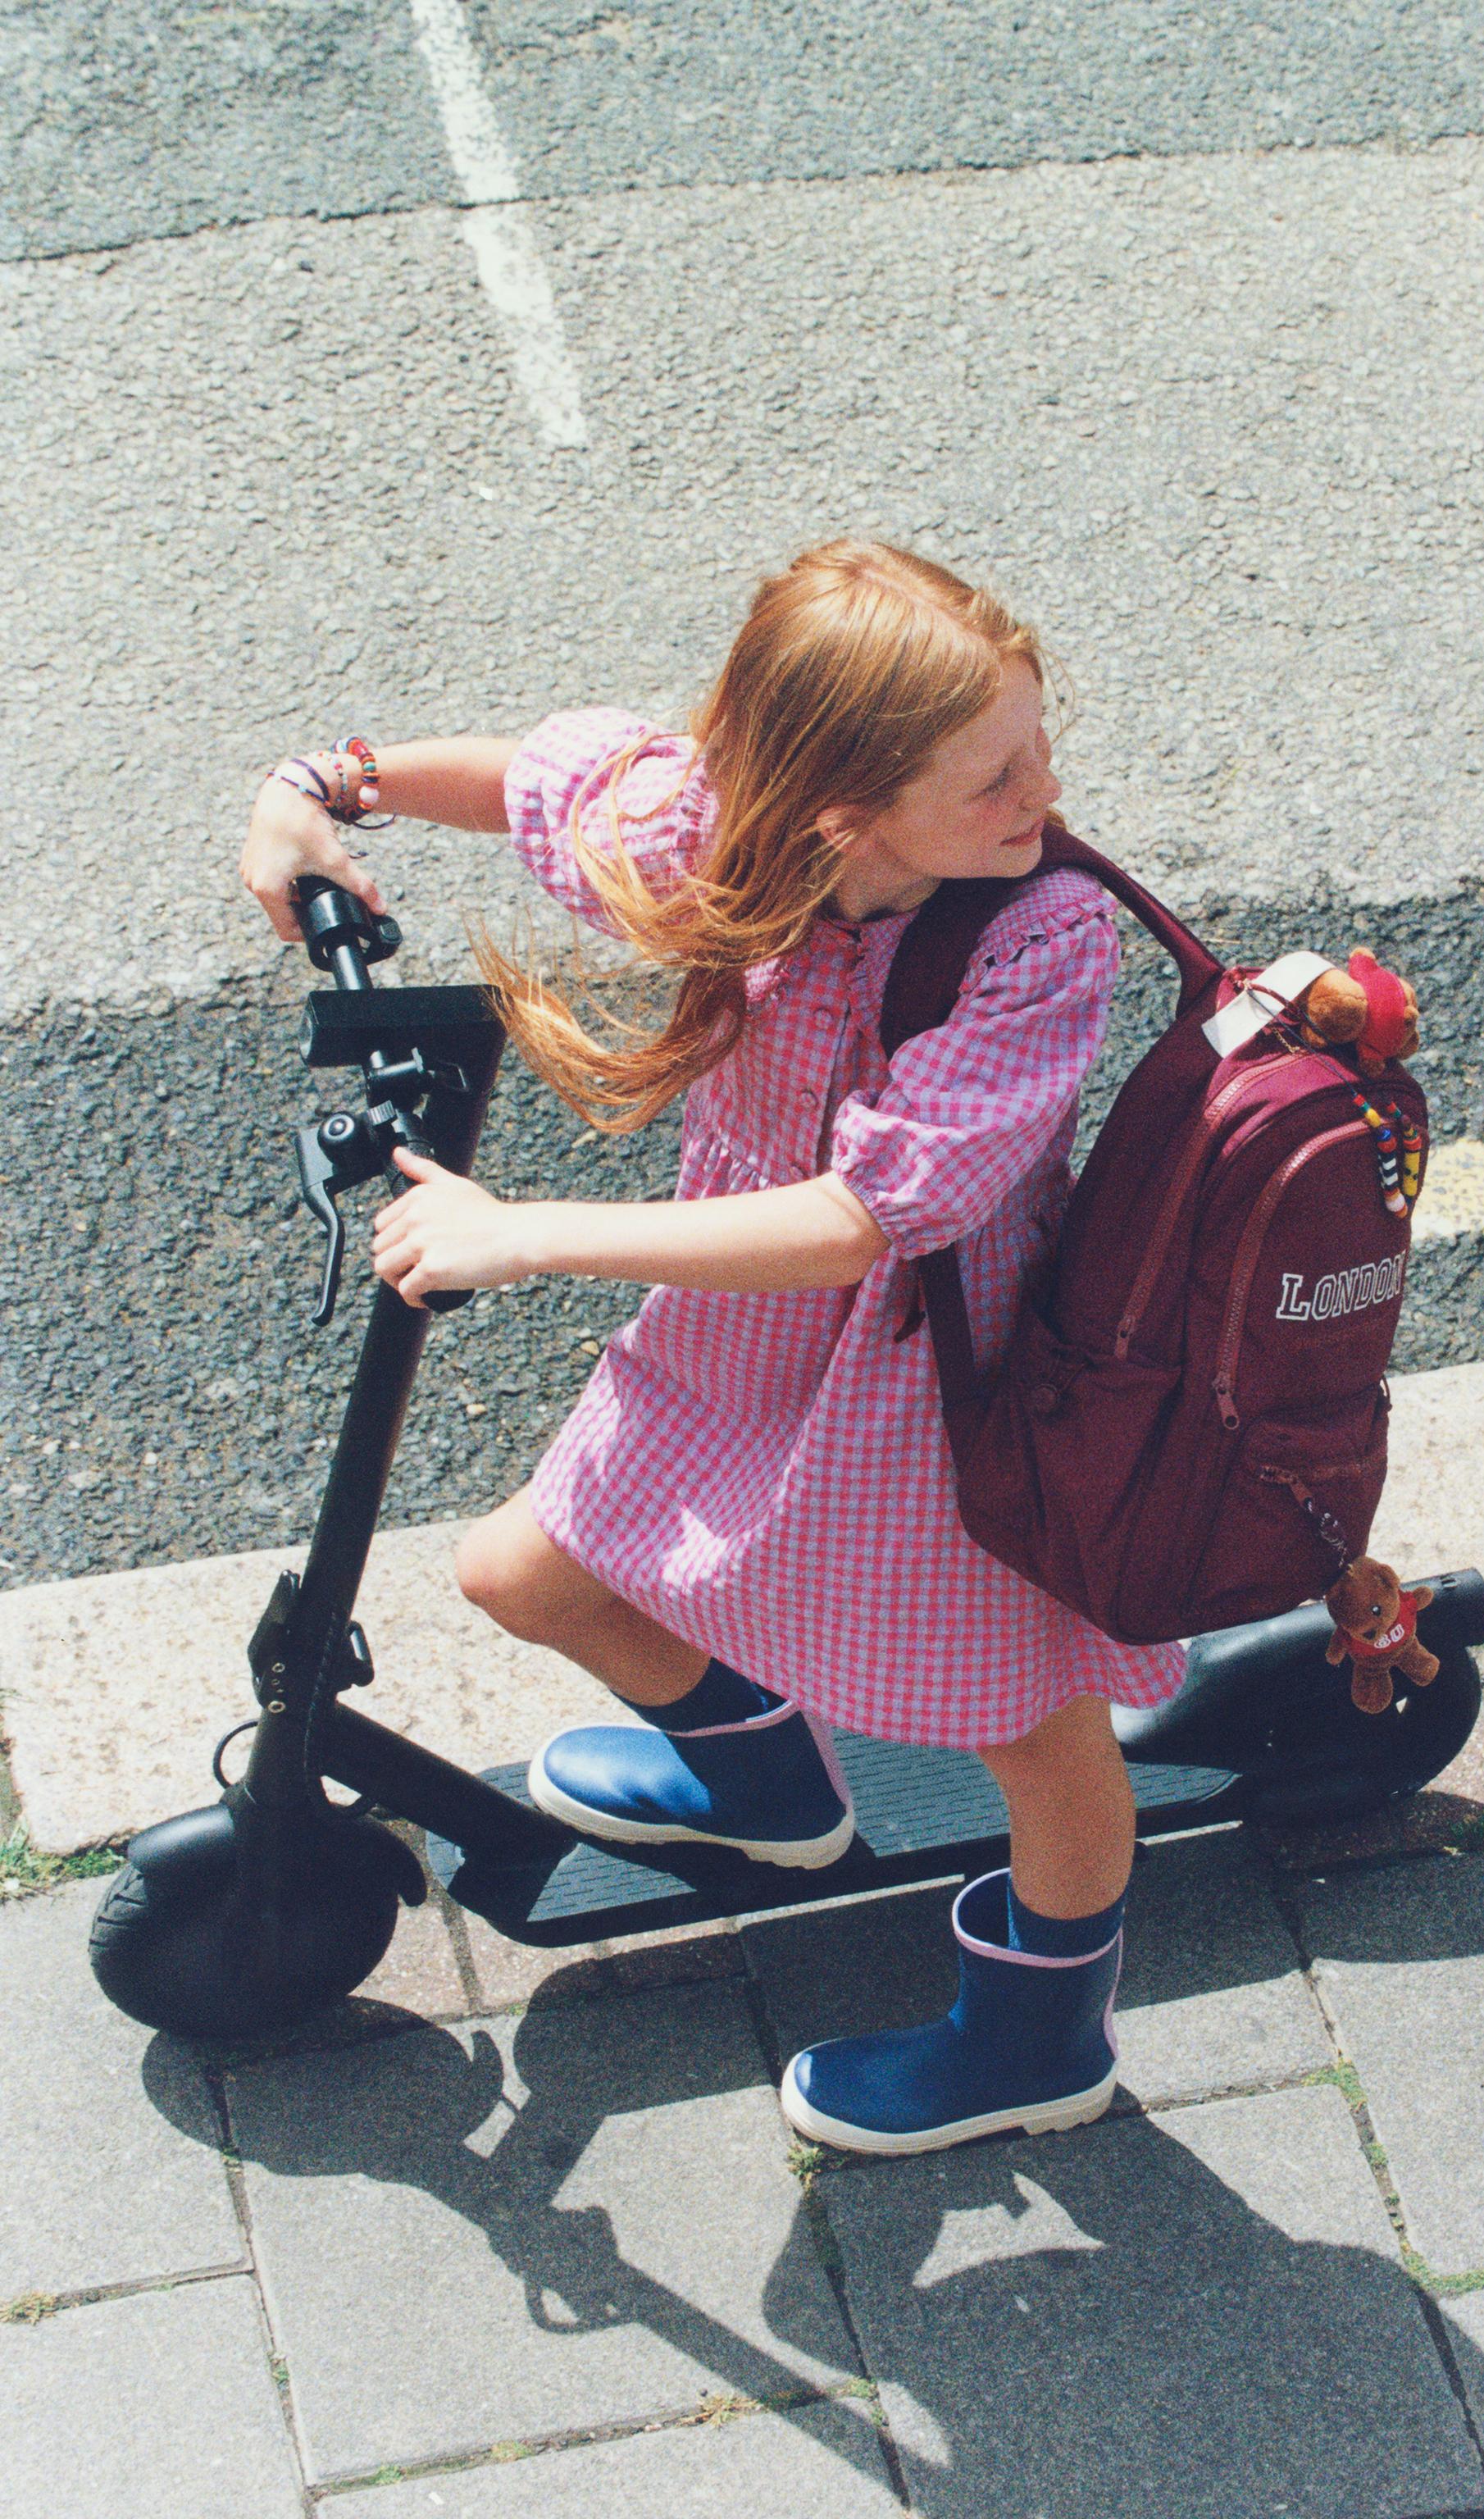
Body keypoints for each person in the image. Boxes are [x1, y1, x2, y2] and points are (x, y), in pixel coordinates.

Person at [240, 539, 1186, 2156]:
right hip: (740, 1335)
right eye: (994, 773)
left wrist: (527, 1230)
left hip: (937, 1381)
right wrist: (319, 787)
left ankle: (1042, 2040)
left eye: (1034, 747)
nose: (1046, 793)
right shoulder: (715, 841)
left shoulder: (1040, 938)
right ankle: (771, 1792)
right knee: (526, 1574)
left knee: (1033, 1728)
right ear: (834, 810)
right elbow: (545, 780)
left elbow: (866, 1221)